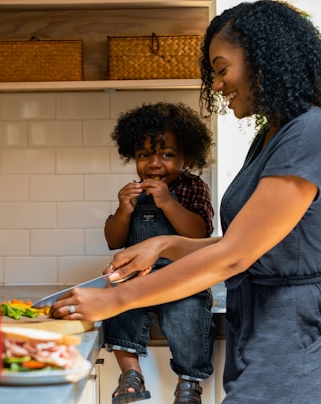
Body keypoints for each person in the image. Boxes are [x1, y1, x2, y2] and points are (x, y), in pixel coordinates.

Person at [50, 1, 321, 403]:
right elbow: (258, 244)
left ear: (263, 60)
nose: (216, 84)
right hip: (264, 328)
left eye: (222, 68)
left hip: (298, 333)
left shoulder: (310, 134)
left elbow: (235, 256)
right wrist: (165, 244)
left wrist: (114, 300)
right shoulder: (271, 137)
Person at [103, 101, 215, 404]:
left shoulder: (194, 188)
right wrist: (124, 211)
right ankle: (131, 375)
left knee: (188, 316)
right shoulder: (134, 192)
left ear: (186, 156)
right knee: (117, 305)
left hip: (183, 280)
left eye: (167, 154)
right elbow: (114, 239)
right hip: (140, 277)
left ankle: (189, 383)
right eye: (144, 155)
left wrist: (167, 202)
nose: (154, 164)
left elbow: (200, 233)